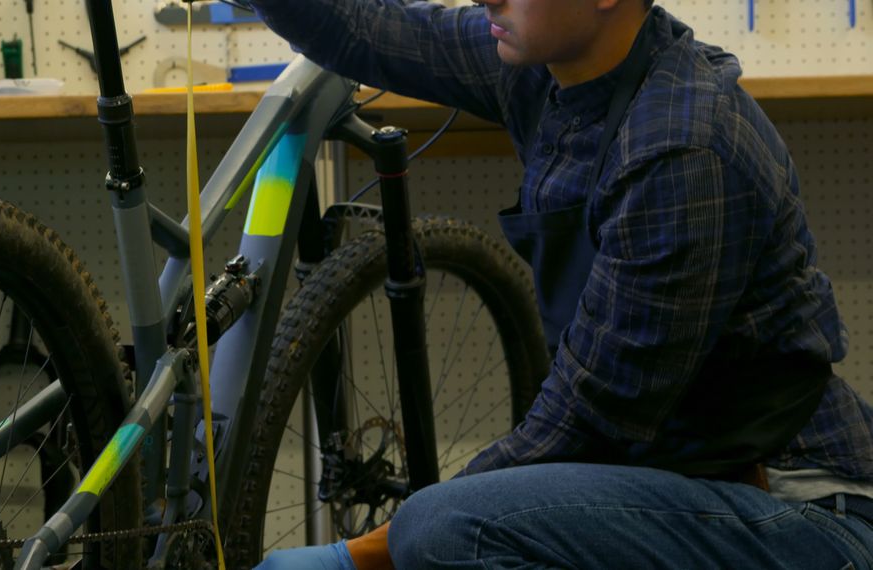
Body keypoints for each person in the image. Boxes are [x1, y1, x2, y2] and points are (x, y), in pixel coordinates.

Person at [249, 0, 873, 567]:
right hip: (688, 473)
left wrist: (358, 558)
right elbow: (365, 30)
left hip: (800, 511)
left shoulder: (680, 148)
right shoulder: (547, 65)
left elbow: (587, 423)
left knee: (444, 529)